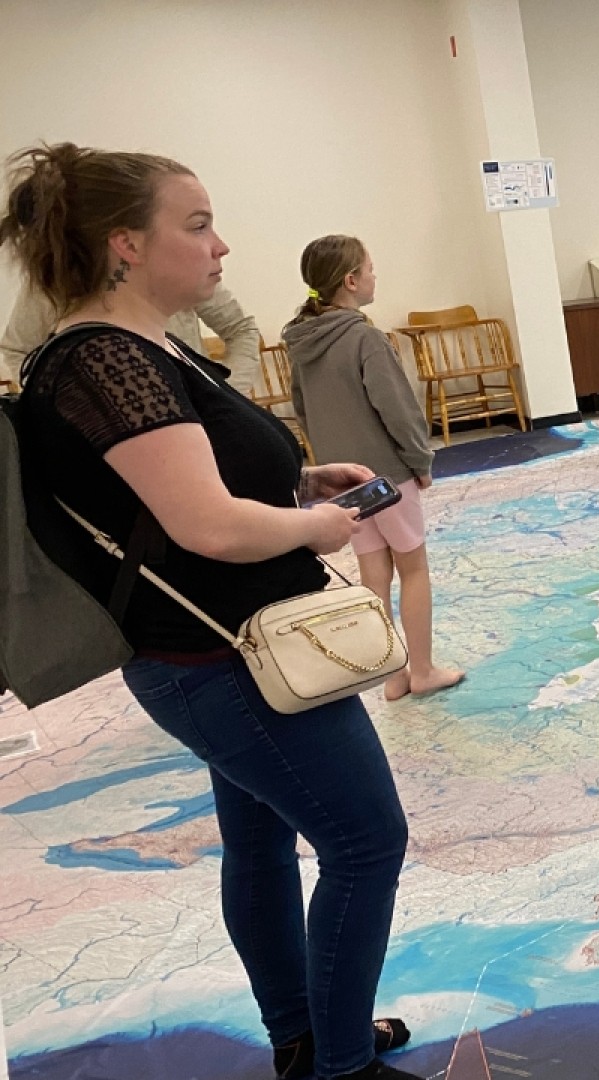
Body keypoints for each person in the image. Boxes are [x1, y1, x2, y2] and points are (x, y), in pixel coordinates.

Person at [2, 144, 417, 1079]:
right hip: (223, 659)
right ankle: (341, 1065)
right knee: (365, 841)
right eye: (196, 225)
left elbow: (171, 483)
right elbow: (209, 526)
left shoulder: (147, 346)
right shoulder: (104, 360)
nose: (221, 246)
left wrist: (304, 477)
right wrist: (318, 526)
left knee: (263, 841)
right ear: (125, 246)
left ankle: (304, 1037)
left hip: (220, 651)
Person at [283, 234, 462, 702]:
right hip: (388, 477)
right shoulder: (365, 338)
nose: (375, 275)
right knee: (414, 570)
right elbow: (397, 409)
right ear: (351, 280)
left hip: (343, 482)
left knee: (373, 576)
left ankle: (391, 675)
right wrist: (420, 461)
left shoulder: (300, 343)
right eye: (371, 267)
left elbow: (301, 410)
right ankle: (422, 670)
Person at [4, 278, 261, 394]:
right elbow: (18, 350)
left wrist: (225, 394)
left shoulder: (180, 265)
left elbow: (241, 329)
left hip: (195, 426)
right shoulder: (50, 282)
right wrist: (62, 404)